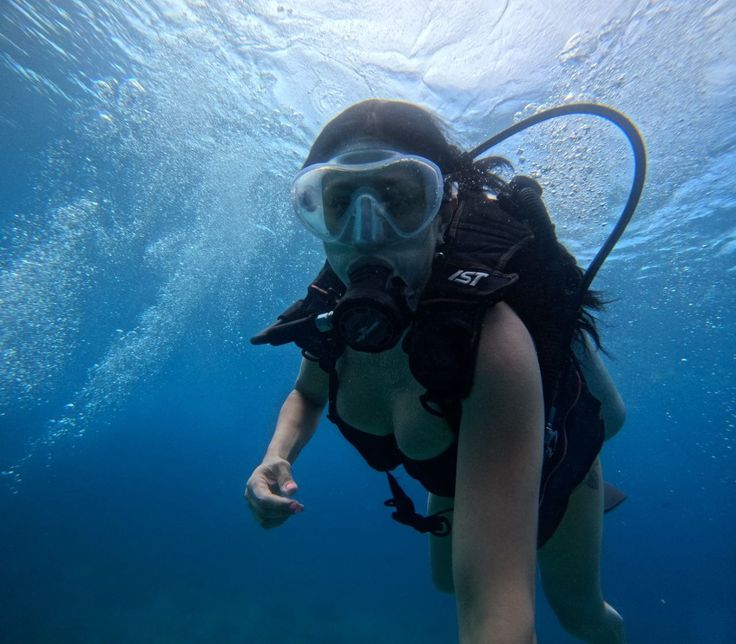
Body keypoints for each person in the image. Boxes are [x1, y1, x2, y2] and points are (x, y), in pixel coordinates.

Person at [246, 99, 628, 644]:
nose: (366, 232)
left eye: (399, 199)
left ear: (444, 208)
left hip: (554, 465)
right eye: (339, 203)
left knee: (579, 615)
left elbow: (497, 617)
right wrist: (275, 455)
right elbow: (307, 394)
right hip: (451, 468)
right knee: (446, 582)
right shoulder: (332, 312)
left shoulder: (488, 342)